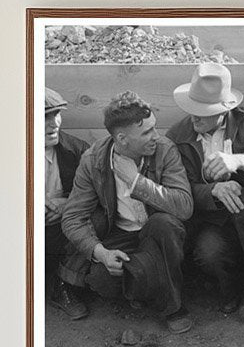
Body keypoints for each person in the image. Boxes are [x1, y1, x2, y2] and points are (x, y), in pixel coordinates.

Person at [59, 91, 195, 333]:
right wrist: (101, 253)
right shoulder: (93, 160)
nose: (156, 136)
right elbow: (72, 217)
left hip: (158, 233)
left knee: (165, 224)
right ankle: (145, 281)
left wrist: (136, 182)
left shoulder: (165, 149)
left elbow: (184, 206)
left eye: (155, 127)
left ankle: (172, 307)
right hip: (119, 234)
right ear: (122, 139)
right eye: (147, 132)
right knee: (102, 281)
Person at [166, 63, 244, 314]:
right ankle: (230, 288)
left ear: (223, 110)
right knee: (209, 251)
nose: (194, 116)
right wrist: (213, 191)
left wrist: (239, 160)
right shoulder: (177, 136)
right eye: (191, 108)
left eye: (203, 111)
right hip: (210, 216)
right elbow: (179, 188)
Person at [43, 87, 89, 319]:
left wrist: (66, 204)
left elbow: (101, 193)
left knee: (95, 220)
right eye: (44, 117)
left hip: (61, 232)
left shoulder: (78, 150)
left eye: (56, 115)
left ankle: (65, 287)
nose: (54, 124)